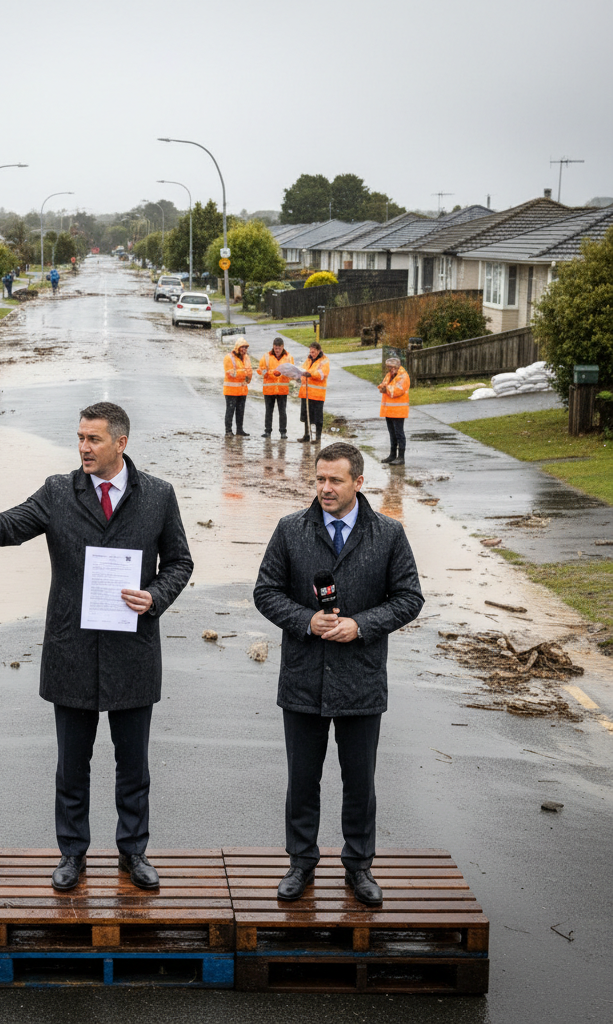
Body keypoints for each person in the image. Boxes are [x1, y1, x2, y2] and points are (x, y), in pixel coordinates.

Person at [0, 402, 193, 892]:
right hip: (72, 650)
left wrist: (155, 596)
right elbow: (9, 526)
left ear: (121, 443)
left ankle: (133, 852)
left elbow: (180, 561)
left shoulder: (157, 494)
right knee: (73, 767)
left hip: (133, 653)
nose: (83, 448)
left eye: (93, 439)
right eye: (79, 438)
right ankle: (72, 854)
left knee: (133, 766)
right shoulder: (58, 491)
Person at [252, 442, 423, 906]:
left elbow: (410, 598)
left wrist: (361, 625)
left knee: (359, 780)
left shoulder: (388, 533)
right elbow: (265, 592)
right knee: (302, 779)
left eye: (335, 480)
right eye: (320, 480)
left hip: (361, 679)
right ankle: (301, 863)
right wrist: (307, 620)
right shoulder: (291, 530)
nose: (325, 489)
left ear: (358, 483)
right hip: (304, 677)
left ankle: (359, 866)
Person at [258, 337, 295, 438]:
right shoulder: (266, 356)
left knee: (282, 412)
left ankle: (283, 432)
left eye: (279, 348)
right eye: (275, 348)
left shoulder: (289, 357)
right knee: (268, 411)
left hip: (282, 390)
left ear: (283, 347)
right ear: (273, 347)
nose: (277, 350)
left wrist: (282, 374)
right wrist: (271, 373)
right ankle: (267, 431)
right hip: (269, 390)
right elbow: (261, 370)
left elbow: (292, 373)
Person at [378, 357, 410, 465]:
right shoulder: (390, 375)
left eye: (391, 367)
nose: (390, 369)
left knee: (399, 433)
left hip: (399, 410)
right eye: (388, 367)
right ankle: (392, 455)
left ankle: (401, 457)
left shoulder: (403, 376)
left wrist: (385, 389)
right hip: (390, 410)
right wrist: (382, 387)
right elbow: (384, 384)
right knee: (392, 433)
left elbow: (398, 390)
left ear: (396, 367)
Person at [297, 341, 329, 444]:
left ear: (319, 351)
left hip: (317, 394)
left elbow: (322, 374)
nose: (312, 353)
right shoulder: (308, 359)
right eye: (311, 351)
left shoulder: (324, 361)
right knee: (306, 415)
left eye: (314, 352)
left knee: (318, 418)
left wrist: (309, 374)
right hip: (306, 393)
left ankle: (317, 438)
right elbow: (303, 369)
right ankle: (306, 435)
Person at [223, 339, 253, 436]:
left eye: (246, 347)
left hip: (242, 390)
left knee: (240, 411)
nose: (244, 349)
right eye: (242, 347)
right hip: (231, 391)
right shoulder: (228, 358)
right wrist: (244, 373)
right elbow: (231, 373)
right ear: (237, 347)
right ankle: (228, 431)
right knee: (230, 411)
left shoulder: (246, 358)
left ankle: (239, 430)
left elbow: (249, 372)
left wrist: (248, 377)